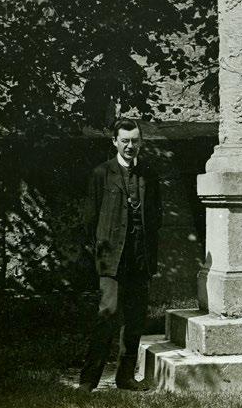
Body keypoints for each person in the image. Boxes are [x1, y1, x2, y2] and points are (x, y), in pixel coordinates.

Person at [79, 117, 162, 392]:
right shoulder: (102, 173)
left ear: (141, 142)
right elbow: (90, 219)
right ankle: (88, 381)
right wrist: (101, 251)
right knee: (107, 314)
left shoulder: (149, 173)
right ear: (114, 141)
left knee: (136, 319)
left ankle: (125, 378)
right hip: (111, 258)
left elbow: (156, 216)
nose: (130, 146)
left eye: (135, 141)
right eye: (125, 141)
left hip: (139, 259)